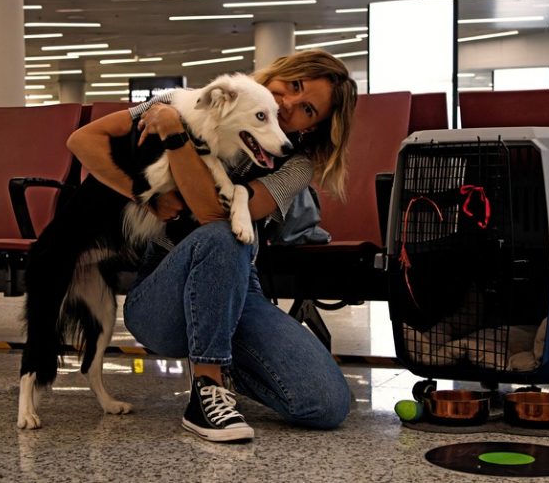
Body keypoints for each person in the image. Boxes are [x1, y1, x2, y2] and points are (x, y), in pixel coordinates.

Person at [66, 49, 358, 442]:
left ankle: (223, 360)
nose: (288, 104)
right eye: (293, 85)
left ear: (312, 127)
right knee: (224, 236)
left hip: (238, 292)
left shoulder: (295, 167)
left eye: (307, 109)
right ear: (281, 73)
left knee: (325, 404)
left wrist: (174, 135)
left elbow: (210, 214)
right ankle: (207, 393)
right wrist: (143, 195)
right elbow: (83, 139)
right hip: (162, 294)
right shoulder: (184, 101)